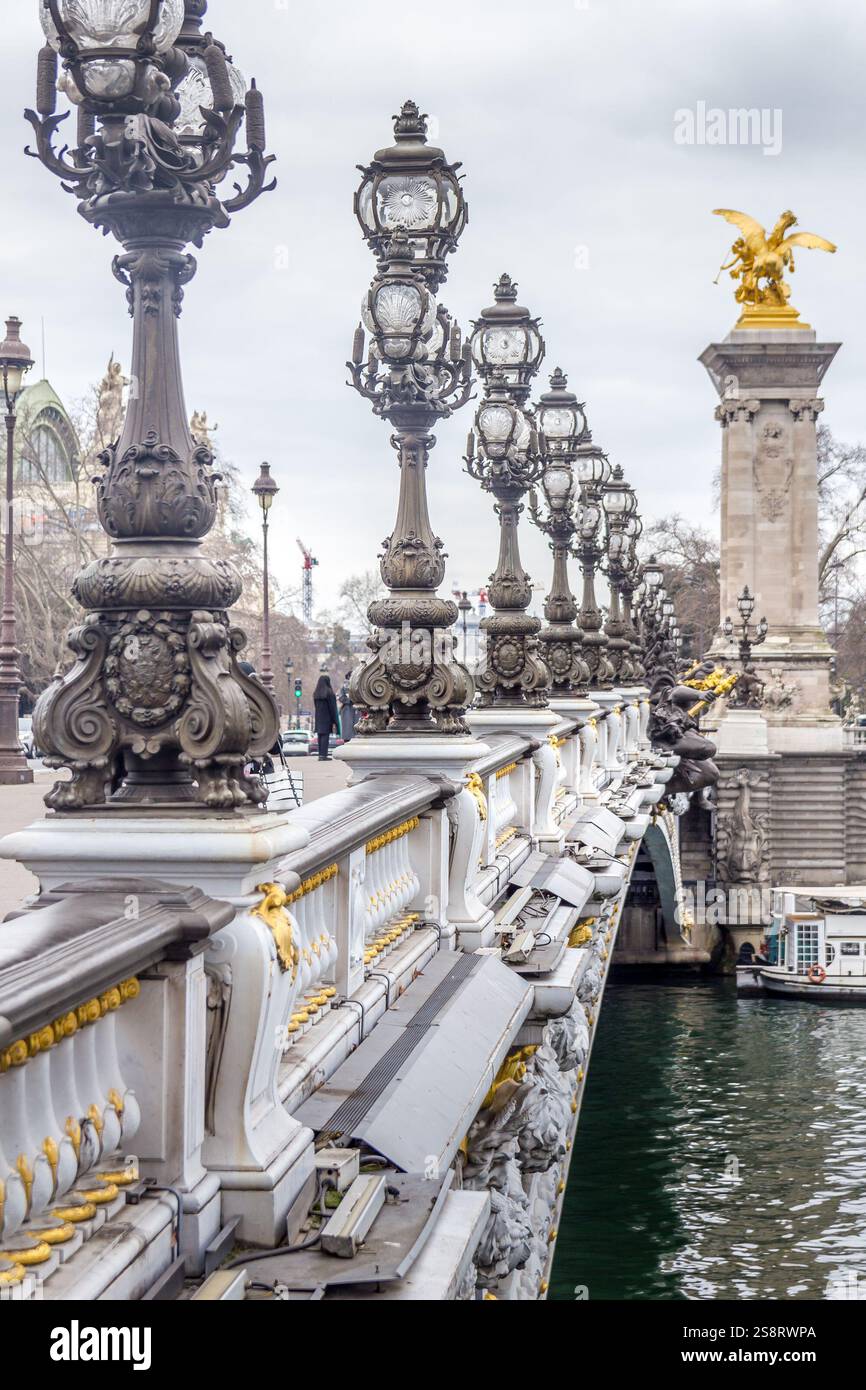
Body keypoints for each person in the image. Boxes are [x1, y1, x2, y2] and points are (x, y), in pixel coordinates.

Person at [313, 672, 340, 760]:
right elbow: (333, 708)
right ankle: (323, 755)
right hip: (327, 718)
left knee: (320, 736)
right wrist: (335, 721)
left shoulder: (316, 694)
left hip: (318, 717)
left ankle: (321, 754)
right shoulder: (329, 693)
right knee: (325, 736)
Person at [338, 672, 356, 742]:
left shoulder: (357, 685)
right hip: (347, 710)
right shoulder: (343, 687)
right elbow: (341, 698)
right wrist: (350, 700)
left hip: (356, 710)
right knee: (348, 731)